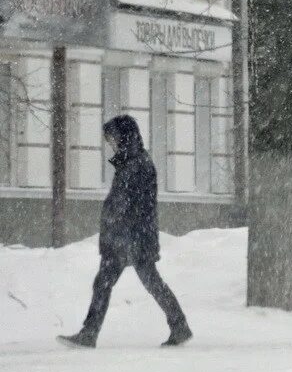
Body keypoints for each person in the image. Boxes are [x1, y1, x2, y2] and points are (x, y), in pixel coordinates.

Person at [58, 115, 192, 348]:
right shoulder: (133, 162)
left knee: (116, 283)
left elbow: (129, 204)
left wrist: (116, 225)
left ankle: (90, 333)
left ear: (124, 137)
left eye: (112, 137)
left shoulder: (136, 164)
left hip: (130, 238)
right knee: (139, 282)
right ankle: (179, 325)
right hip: (130, 237)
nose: (110, 142)